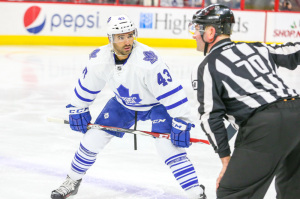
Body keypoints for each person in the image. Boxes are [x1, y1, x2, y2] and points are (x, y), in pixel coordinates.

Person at [51, 14, 206, 199]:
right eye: (121, 37)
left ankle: (196, 192)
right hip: (122, 104)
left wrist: (181, 120)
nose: (127, 41)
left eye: (130, 35)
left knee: (168, 147)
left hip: (156, 106)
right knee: (92, 139)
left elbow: (172, 93)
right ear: (110, 39)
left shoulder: (148, 61)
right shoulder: (99, 59)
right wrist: (78, 107)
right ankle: (72, 181)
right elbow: (87, 85)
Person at [189, 4, 300, 199]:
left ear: (211, 32)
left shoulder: (209, 65)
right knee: (292, 190)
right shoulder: (257, 48)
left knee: (232, 193)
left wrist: (225, 160)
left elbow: (210, 117)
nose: (194, 35)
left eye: (197, 29)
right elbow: (293, 51)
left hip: (265, 125)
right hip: (297, 113)